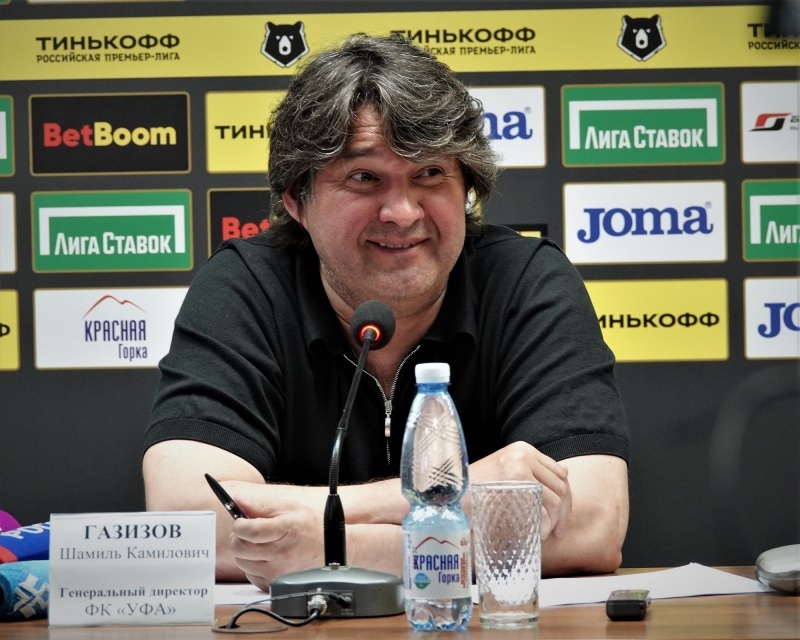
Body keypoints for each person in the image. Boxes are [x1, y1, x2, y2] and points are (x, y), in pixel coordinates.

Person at [143, 33, 630, 590]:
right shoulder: (245, 287)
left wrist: (330, 546)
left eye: (430, 174)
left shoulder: (525, 281)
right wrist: (455, 499)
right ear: (297, 200)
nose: (402, 212)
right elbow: (188, 522)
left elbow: (592, 526)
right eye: (364, 178)